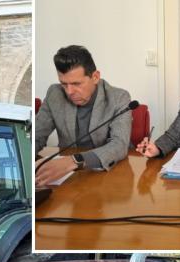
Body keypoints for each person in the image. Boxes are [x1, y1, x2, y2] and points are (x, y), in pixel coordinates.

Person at [34, 45, 132, 187]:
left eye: (76, 84)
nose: (69, 91)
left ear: (95, 77)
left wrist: (74, 161)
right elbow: (36, 135)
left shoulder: (119, 97)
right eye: (64, 84)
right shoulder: (54, 94)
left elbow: (119, 145)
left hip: (106, 172)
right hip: (67, 177)